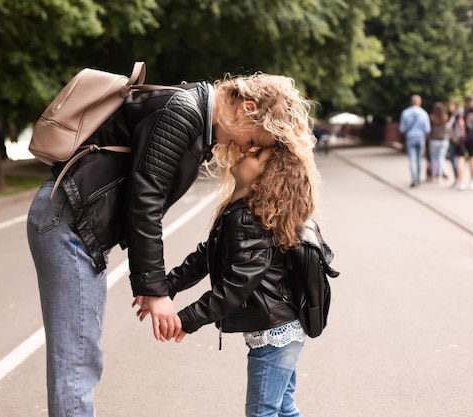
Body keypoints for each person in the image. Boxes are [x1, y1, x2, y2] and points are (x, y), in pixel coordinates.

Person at [26, 71, 313, 417]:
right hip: (68, 222)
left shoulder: (194, 119)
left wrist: (161, 287)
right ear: (245, 108)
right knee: (77, 360)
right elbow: (144, 200)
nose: (245, 148)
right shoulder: (184, 112)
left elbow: (150, 206)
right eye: (254, 139)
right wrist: (157, 292)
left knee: (81, 356)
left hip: (77, 224)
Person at [136, 128, 319, 417]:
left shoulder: (251, 220)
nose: (246, 151)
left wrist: (187, 319)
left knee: (263, 413)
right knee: (283, 409)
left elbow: (236, 286)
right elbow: (206, 256)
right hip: (282, 328)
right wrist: (164, 287)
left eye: (256, 154)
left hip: (275, 334)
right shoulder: (242, 212)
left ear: (264, 178)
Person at [399, 94, 431, 187]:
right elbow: (427, 129)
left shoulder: (405, 113)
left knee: (412, 160)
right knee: (419, 159)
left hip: (410, 138)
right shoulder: (424, 113)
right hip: (420, 138)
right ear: (419, 102)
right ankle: (418, 178)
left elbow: (402, 129)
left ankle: (414, 180)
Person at [456, 96, 473, 190]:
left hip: (462, 138)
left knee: (461, 158)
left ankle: (460, 181)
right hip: (472, 137)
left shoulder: (461, 111)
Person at [428, 102, 450, 183]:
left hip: (433, 140)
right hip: (443, 140)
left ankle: (434, 175)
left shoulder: (432, 118)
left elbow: (428, 130)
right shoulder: (445, 117)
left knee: (433, 159)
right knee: (441, 158)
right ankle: (440, 176)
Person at [446, 99, 463, 186]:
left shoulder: (458, 116)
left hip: (456, 140)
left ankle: (459, 179)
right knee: (453, 160)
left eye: (451, 105)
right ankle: (457, 179)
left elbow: (451, 127)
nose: (449, 107)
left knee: (456, 160)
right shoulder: (453, 116)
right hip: (455, 140)